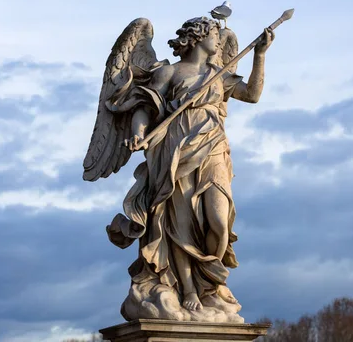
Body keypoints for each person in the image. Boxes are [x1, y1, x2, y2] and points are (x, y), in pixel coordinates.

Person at [106, 16, 275, 313]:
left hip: (213, 149)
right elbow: (145, 108)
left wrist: (259, 55)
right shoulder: (169, 72)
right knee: (179, 223)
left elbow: (252, 94)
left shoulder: (219, 74)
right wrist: (137, 134)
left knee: (219, 223)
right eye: (213, 33)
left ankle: (210, 283)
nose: (218, 40)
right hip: (176, 149)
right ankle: (187, 288)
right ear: (197, 38)